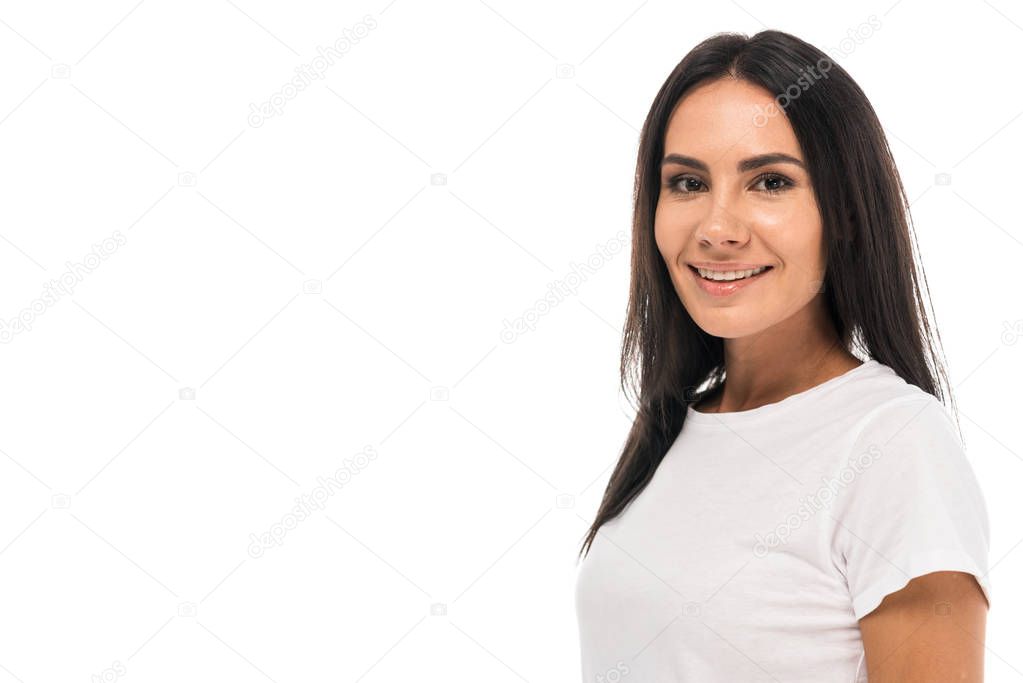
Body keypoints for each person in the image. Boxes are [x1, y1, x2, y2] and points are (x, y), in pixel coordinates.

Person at [574, 29, 991, 682]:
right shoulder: (670, 425)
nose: (716, 228)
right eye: (686, 182)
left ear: (844, 211)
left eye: (767, 181)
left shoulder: (894, 443)